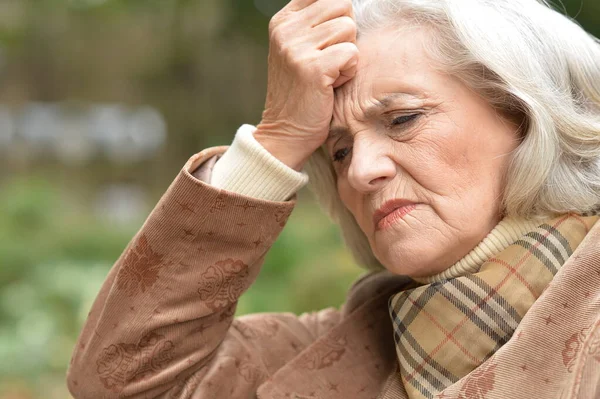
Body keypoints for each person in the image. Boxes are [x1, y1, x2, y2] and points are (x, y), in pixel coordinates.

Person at [66, 0, 600, 397]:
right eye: (339, 152)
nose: (363, 171)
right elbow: (119, 379)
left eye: (403, 119)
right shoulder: (335, 349)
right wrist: (276, 139)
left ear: (528, 116)